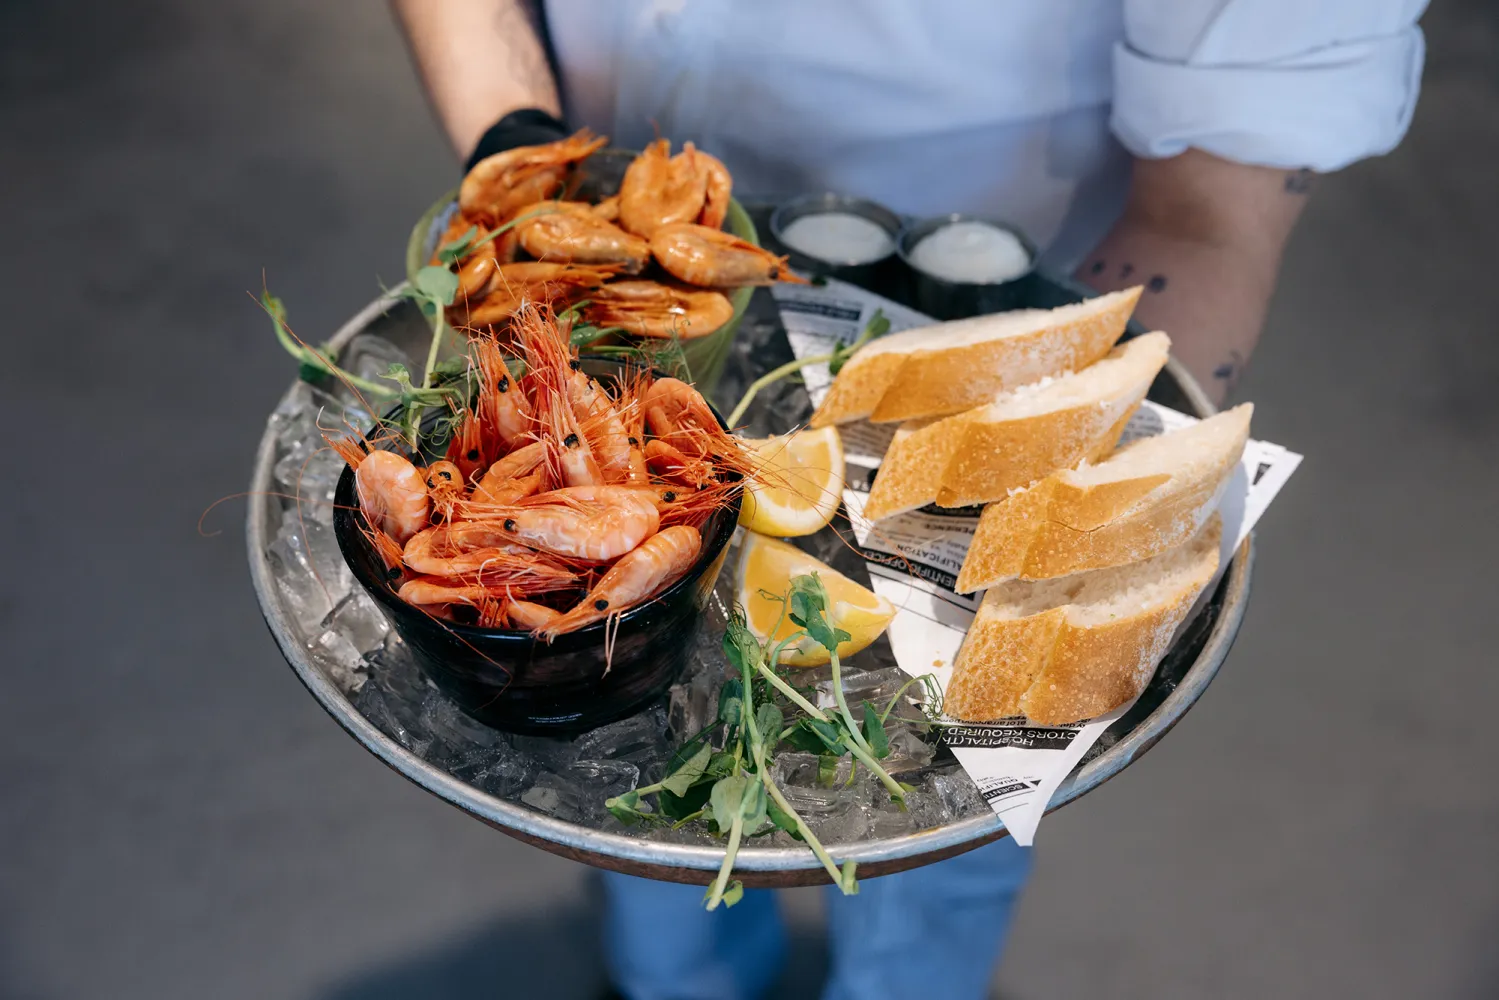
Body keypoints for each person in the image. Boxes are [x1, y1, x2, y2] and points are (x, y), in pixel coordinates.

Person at [392, 2, 1427, 997]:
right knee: (630, 803)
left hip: (1006, 313)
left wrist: (1062, 486)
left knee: (936, 839)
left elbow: (1206, 216)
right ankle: (674, 982)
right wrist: (515, 135)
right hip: (616, 276)